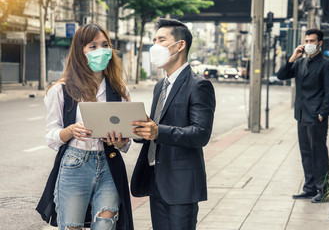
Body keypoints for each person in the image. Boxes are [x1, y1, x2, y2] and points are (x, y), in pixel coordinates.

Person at [36, 24, 134, 230]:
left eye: (105, 45)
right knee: (71, 226)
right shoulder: (61, 89)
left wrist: (120, 141)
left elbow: (126, 141)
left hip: (109, 165)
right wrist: (71, 130)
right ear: (80, 51)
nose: (101, 50)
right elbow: (52, 136)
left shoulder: (119, 89)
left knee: (106, 225)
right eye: (93, 46)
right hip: (74, 165)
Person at [130, 18, 216, 230]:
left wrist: (158, 132)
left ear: (180, 45)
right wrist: (139, 131)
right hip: (155, 179)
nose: (155, 46)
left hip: (181, 183)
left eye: (161, 40)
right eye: (153, 40)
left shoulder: (199, 85)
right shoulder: (161, 86)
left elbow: (200, 134)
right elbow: (155, 126)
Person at [277, 28, 329, 203]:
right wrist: (293, 58)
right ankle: (309, 188)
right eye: (307, 41)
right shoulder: (300, 63)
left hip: (316, 116)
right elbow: (281, 75)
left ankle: (322, 190)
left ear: (319, 43)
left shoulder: (326, 64)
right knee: (305, 153)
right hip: (301, 115)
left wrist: (322, 114)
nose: (309, 44)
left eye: (312, 41)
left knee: (318, 154)